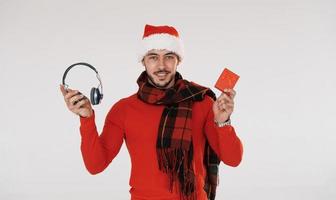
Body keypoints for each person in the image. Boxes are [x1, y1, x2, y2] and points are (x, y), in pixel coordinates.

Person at [59, 24, 243, 200]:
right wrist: (87, 119)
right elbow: (95, 165)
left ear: (178, 60)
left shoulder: (202, 102)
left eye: (169, 56)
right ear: (143, 61)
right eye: (153, 57)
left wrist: (223, 121)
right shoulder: (123, 109)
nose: (161, 65)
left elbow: (233, 159)